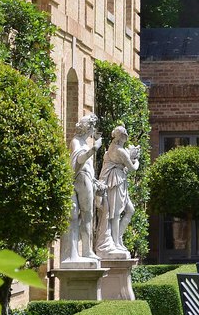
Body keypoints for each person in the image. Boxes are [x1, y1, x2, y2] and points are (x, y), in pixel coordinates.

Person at [60, 113, 103, 264]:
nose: (93, 132)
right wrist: (94, 149)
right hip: (81, 179)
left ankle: (86, 250)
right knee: (86, 215)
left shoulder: (82, 142)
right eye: (92, 128)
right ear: (88, 129)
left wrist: (96, 182)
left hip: (86, 180)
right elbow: (79, 159)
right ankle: (85, 250)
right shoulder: (76, 141)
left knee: (86, 215)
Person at [96, 125, 140, 258]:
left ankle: (118, 239)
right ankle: (115, 242)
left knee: (129, 210)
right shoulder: (119, 150)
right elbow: (132, 168)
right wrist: (136, 160)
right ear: (122, 137)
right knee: (115, 213)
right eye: (124, 135)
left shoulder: (116, 147)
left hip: (119, 179)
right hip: (114, 180)